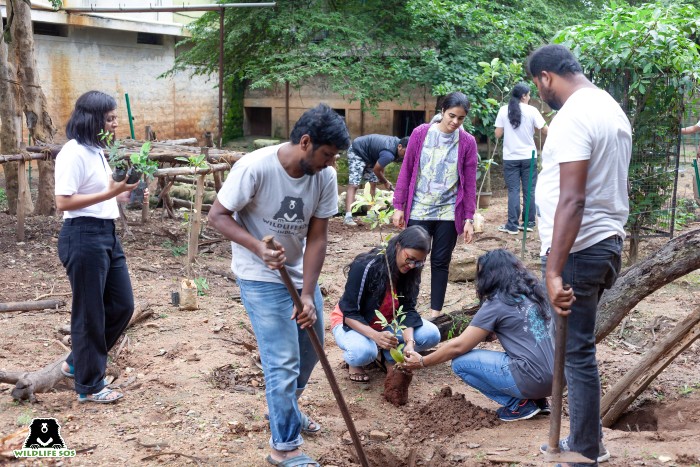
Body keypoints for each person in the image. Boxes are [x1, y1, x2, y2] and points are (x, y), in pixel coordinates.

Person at [208, 104, 350, 467]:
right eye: (327, 154)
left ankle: (287, 408)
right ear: (306, 142)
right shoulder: (255, 168)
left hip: (300, 276)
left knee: (310, 350)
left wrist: (307, 295)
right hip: (260, 277)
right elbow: (217, 216)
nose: (331, 163)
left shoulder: (324, 178)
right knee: (282, 361)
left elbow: (318, 239)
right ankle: (284, 447)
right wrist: (257, 246)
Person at [528, 44, 631, 465]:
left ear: (546, 77)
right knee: (577, 348)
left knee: (575, 352)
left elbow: (573, 200)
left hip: (576, 249)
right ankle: (582, 441)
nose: (540, 95)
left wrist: (553, 270)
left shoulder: (573, 116)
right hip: (604, 244)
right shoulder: (611, 108)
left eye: (539, 87)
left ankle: (586, 448)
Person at [55, 90, 139, 404]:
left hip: (106, 232)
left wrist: (123, 193)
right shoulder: (73, 152)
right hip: (83, 235)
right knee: (90, 313)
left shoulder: (95, 151)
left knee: (122, 305)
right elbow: (64, 200)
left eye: (116, 117)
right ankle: (89, 386)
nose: (116, 124)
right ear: (93, 120)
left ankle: (78, 361)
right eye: (110, 118)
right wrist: (108, 195)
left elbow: (102, 193)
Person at [404, 249, 554, 422]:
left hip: (532, 379)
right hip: (560, 378)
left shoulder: (498, 301)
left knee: (460, 362)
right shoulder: (537, 292)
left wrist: (423, 362)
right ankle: (539, 400)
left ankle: (518, 405)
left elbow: (458, 346)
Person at [391, 91, 478, 319]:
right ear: (441, 111)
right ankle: (406, 309)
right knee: (412, 260)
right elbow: (407, 169)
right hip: (419, 207)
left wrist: (469, 217)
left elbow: (469, 183)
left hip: (449, 211)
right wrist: (399, 206)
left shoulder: (467, 142)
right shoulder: (421, 134)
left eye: (460, 118)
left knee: (441, 261)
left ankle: (435, 314)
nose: (455, 122)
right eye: (451, 115)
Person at [331, 225, 441, 382]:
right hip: (353, 323)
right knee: (362, 353)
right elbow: (349, 313)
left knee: (431, 335)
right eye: (409, 259)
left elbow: (407, 310)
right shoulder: (366, 266)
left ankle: (385, 355)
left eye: (418, 262)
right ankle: (360, 359)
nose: (411, 266)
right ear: (397, 246)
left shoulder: (412, 270)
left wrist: (410, 343)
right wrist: (375, 336)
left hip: (386, 323)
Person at [495, 82, 548, 235]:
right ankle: (529, 223)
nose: (530, 97)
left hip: (510, 157)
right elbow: (545, 130)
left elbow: (498, 134)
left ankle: (512, 225)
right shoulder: (532, 110)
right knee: (529, 190)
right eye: (529, 94)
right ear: (524, 96)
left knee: (513, 190)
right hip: (529, 157)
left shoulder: (503, 110)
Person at [344, 134, 409, 226]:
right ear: (399, 147)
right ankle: (348, 216)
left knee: (372, 184)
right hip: (357, 151)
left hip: (370, 157)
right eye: (405, 153)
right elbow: (376, 169)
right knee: (354, 184)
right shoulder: (389, 153)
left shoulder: (398, 146)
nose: (406, 156)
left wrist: (382, 178)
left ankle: (370, 214)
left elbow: (381, 165)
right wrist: (385, 182)